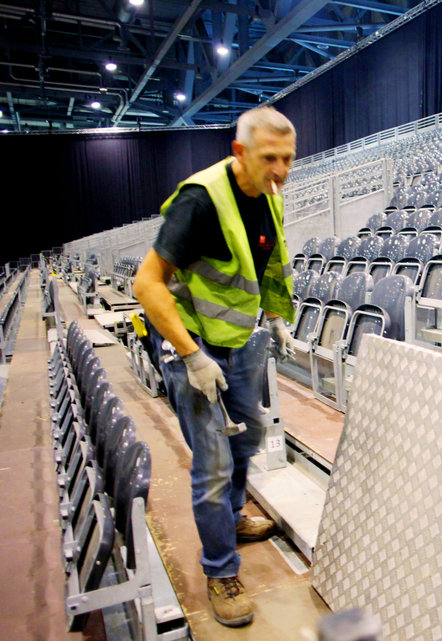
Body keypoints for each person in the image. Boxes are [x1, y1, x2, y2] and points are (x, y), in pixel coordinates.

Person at [132, 106, 298, 627]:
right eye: (270, 158)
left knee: (246, 441)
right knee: (215, 464)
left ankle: (229, 522)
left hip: (240, 340)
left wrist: (274, 317)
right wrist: (189, 355)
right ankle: (220, 570)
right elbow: (147, 284)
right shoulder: (201, 201)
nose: (280, 170)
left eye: (289, 159)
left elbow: (264, 264)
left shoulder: (269, 196)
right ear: (240, 153)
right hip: (194, 344)